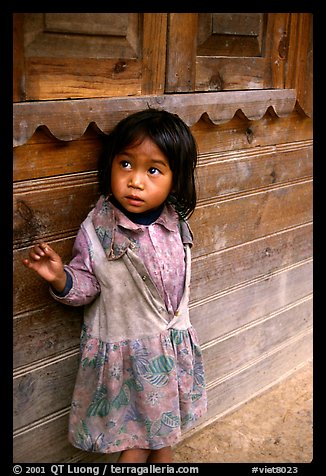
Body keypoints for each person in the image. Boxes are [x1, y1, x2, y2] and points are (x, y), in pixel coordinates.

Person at [23, 109, 207, 463]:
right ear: (110, 164)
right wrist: (61, 277)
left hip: (169, 353)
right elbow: (88, 286)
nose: (136, 181)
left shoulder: (175, 223)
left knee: (163, 441)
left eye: (153, 170)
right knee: (136, 445)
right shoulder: (97, 229)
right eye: (126, 164)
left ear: (175, 179)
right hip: (129, 359)